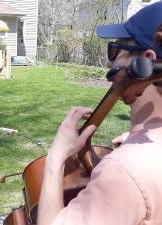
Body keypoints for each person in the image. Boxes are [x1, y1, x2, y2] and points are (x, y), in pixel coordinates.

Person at [38, 2, 162, 225]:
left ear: (146, 61)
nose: (110, 61)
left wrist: (55, 157)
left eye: (115, 50)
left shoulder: (125, 170)